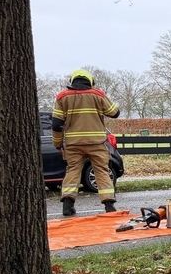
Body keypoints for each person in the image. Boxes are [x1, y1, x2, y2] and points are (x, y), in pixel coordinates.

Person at [51, 69, 120, 216]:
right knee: (101, 170)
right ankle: (109, 206)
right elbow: (114, 113)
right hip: (97, 143)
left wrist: (57, 143)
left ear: (72, 81)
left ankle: (68, 205)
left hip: (73, 144)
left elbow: (56, 124)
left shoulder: (62, 97)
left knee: (73, 171)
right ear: (90, 81)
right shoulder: (97, 95)